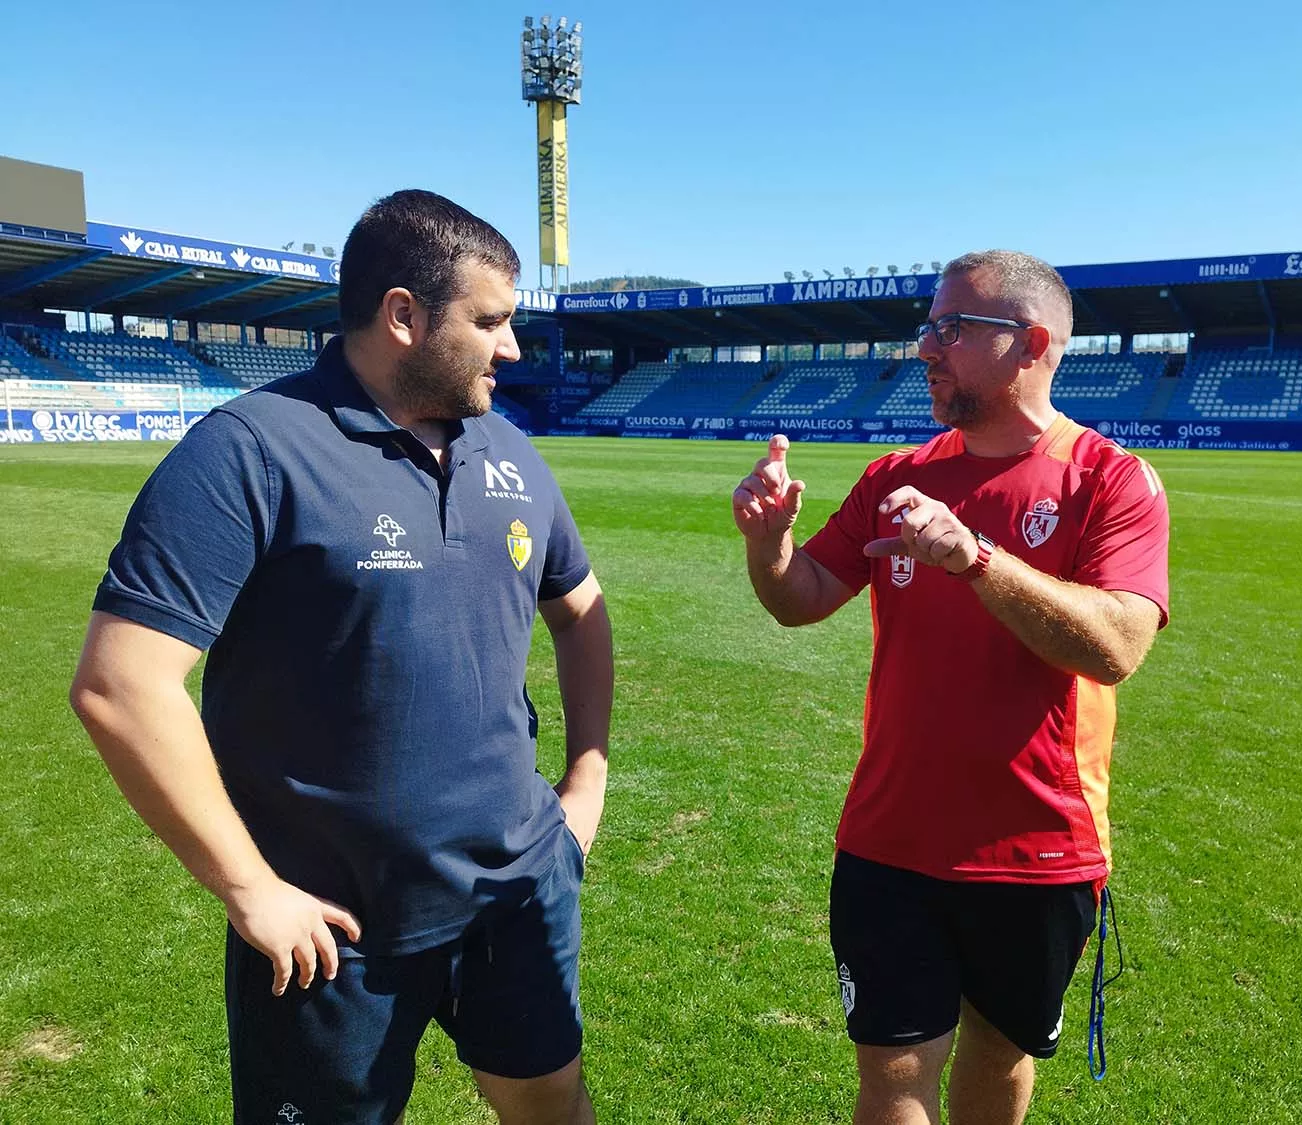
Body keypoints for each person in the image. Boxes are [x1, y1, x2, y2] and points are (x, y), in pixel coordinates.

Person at [70, 190, 613, 1125]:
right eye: (489, 320)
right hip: (331, 927)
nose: (513, 347)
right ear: (404, 315)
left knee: (552, 1103)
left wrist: (587, 780)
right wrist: (250, 888)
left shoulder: (511, 453)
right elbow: (122, 684)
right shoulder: (250, 452)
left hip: (519, 885)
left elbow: (580, 607)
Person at [732, 250, 1169, 1125]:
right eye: (929, 326)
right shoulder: (896, 475)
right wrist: (770, 545)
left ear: (1032, 344)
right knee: (892, 1074)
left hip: (1039, 844)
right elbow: (801, 599)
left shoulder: (1110, 478)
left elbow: (1118, 647)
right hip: (890, 837)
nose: (926, 347)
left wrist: (974, 559)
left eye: (952, 329)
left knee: (1000, 1059)